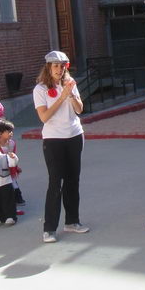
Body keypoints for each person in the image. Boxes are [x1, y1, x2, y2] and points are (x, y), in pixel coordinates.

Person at [34, 51, 89, 243]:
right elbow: (44, 117)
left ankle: (72, 221)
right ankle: (49, 228)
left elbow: (80, 109)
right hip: (53, 139)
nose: (59, 69)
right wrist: (62, 96)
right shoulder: (40, 89)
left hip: (74, 135)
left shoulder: (70, 82)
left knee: (73, 180)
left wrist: (71, 95)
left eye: (62, 65)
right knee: (55, 182)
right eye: (55, 66)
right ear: (48, 68)